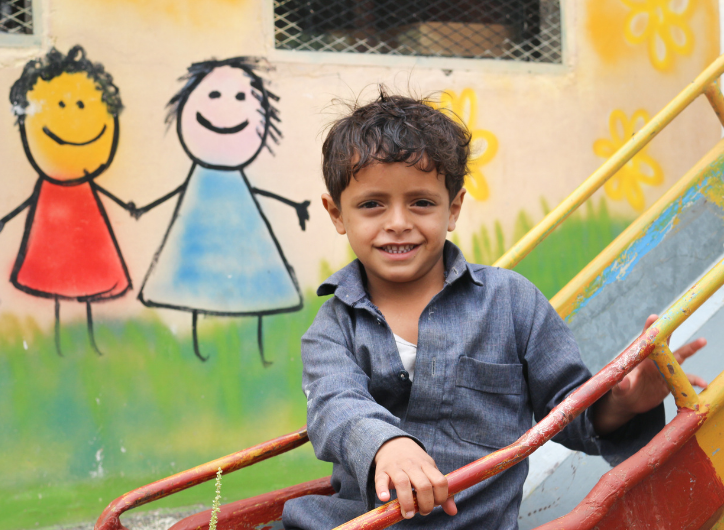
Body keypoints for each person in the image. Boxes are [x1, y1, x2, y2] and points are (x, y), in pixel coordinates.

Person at [281, 89, 708, 529]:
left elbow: (570, 411)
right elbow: (336, 403)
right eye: (372, 204)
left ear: (454, 208)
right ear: (337, 214)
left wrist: (623, 403)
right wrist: (386, 444)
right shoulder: (332, 327)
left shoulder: (511, 302)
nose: (398, 222)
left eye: (421, 202)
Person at [133, 57, 309, 364]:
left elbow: (257, 193)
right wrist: (145, 208)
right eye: (213, 95)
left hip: (246, 232)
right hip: (196, 236)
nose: (226, 107)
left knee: (259, 291)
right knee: (194, 292)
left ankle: (259, 350)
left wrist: (294, 205)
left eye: (241, 97)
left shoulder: (237, 181)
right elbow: (176, 194)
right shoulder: (198, 180)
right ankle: (199, 348)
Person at [0, 46, 133, 357]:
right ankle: (59, 342)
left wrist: (128, 207)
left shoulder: (86, 185)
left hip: (87, 221)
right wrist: (3, 220)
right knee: (55, 284)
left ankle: (86, 342)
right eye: (59, 104)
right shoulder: (47, 186)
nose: (72, 114)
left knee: (90, 285)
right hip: (50, 224)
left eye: (83, 104)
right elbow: (28, 204)